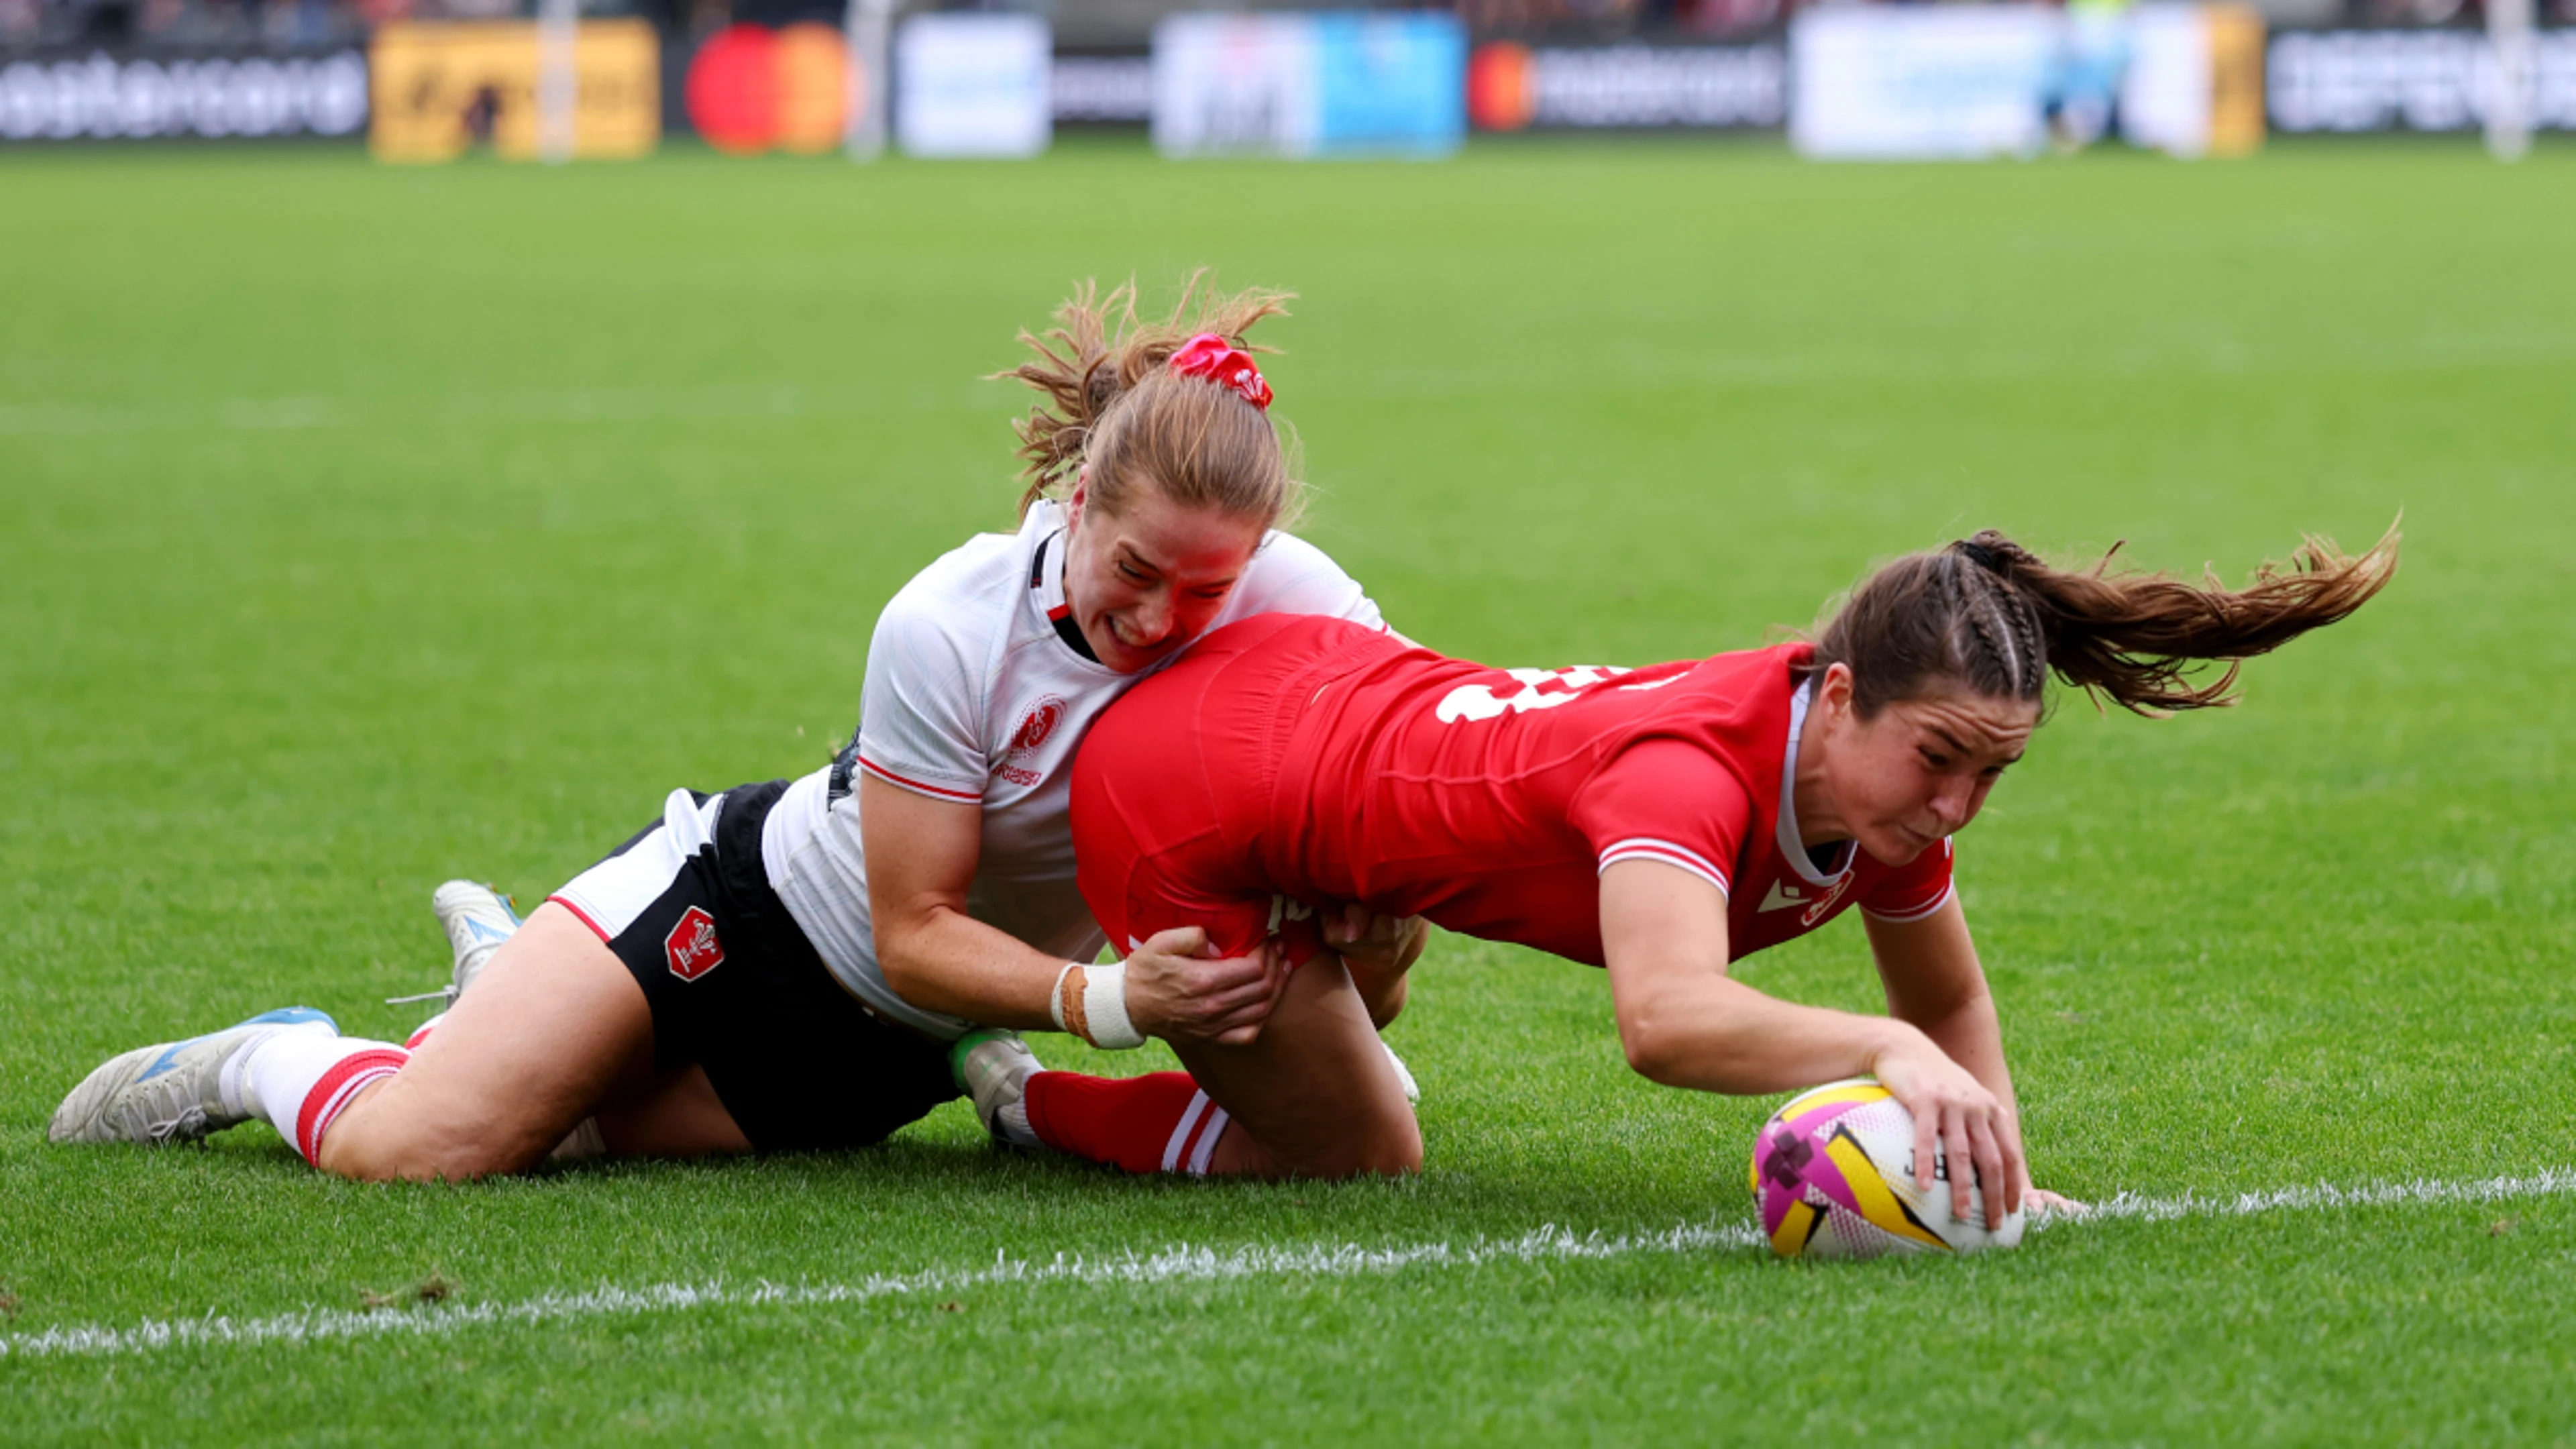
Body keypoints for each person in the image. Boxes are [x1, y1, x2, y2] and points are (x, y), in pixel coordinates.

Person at [48, 277, 1425, 1180]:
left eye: (1210, 590)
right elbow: (913, 928)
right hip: (743, 909)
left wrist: (1380, 923)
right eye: (1137, 573)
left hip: (889, 1046)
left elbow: (1430, 752)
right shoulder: (948, 622)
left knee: (1364, 1135)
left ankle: (1005, 1096)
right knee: (428, 1145)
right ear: (1075, 511)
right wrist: (1110, 1000)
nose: (1167, 617)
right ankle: (266, 1049)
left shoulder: (1284, 599)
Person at [985, 527, 2399, 1228]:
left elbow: (1949, 1001)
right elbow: (1664, 1021)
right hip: (1181, 785)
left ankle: (1306, 1013)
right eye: (1940, 758)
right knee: (1361, 1148)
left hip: (1320, 709)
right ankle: (1009, 1090)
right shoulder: (1689, 776)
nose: (1959, 804)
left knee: (1364, 1025)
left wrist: (1998, 1178)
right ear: (1836, 696)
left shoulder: (1873, 795)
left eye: (1993, 773)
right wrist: (1880, 1048)